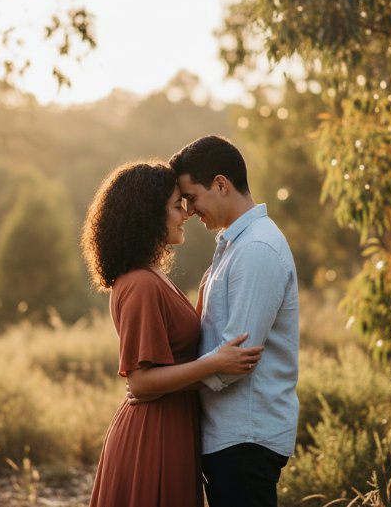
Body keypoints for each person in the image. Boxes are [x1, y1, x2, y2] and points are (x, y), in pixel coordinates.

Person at [81, 160, 264, 507]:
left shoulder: (153, 277)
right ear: (149, 215)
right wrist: (214, 363)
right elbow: (141, 383)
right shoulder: (140, 284)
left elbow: (172, 367)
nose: (186, 214)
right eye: (176, 205)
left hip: (175, 425)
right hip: (154, 434)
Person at [169, 135, 300, 507]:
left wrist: (161, 384)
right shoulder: (235, 247)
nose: (190, 211)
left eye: (192, 197)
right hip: (230, 436)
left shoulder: (256, 249)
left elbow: (234, 362)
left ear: (221, 185)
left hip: (245, 437)